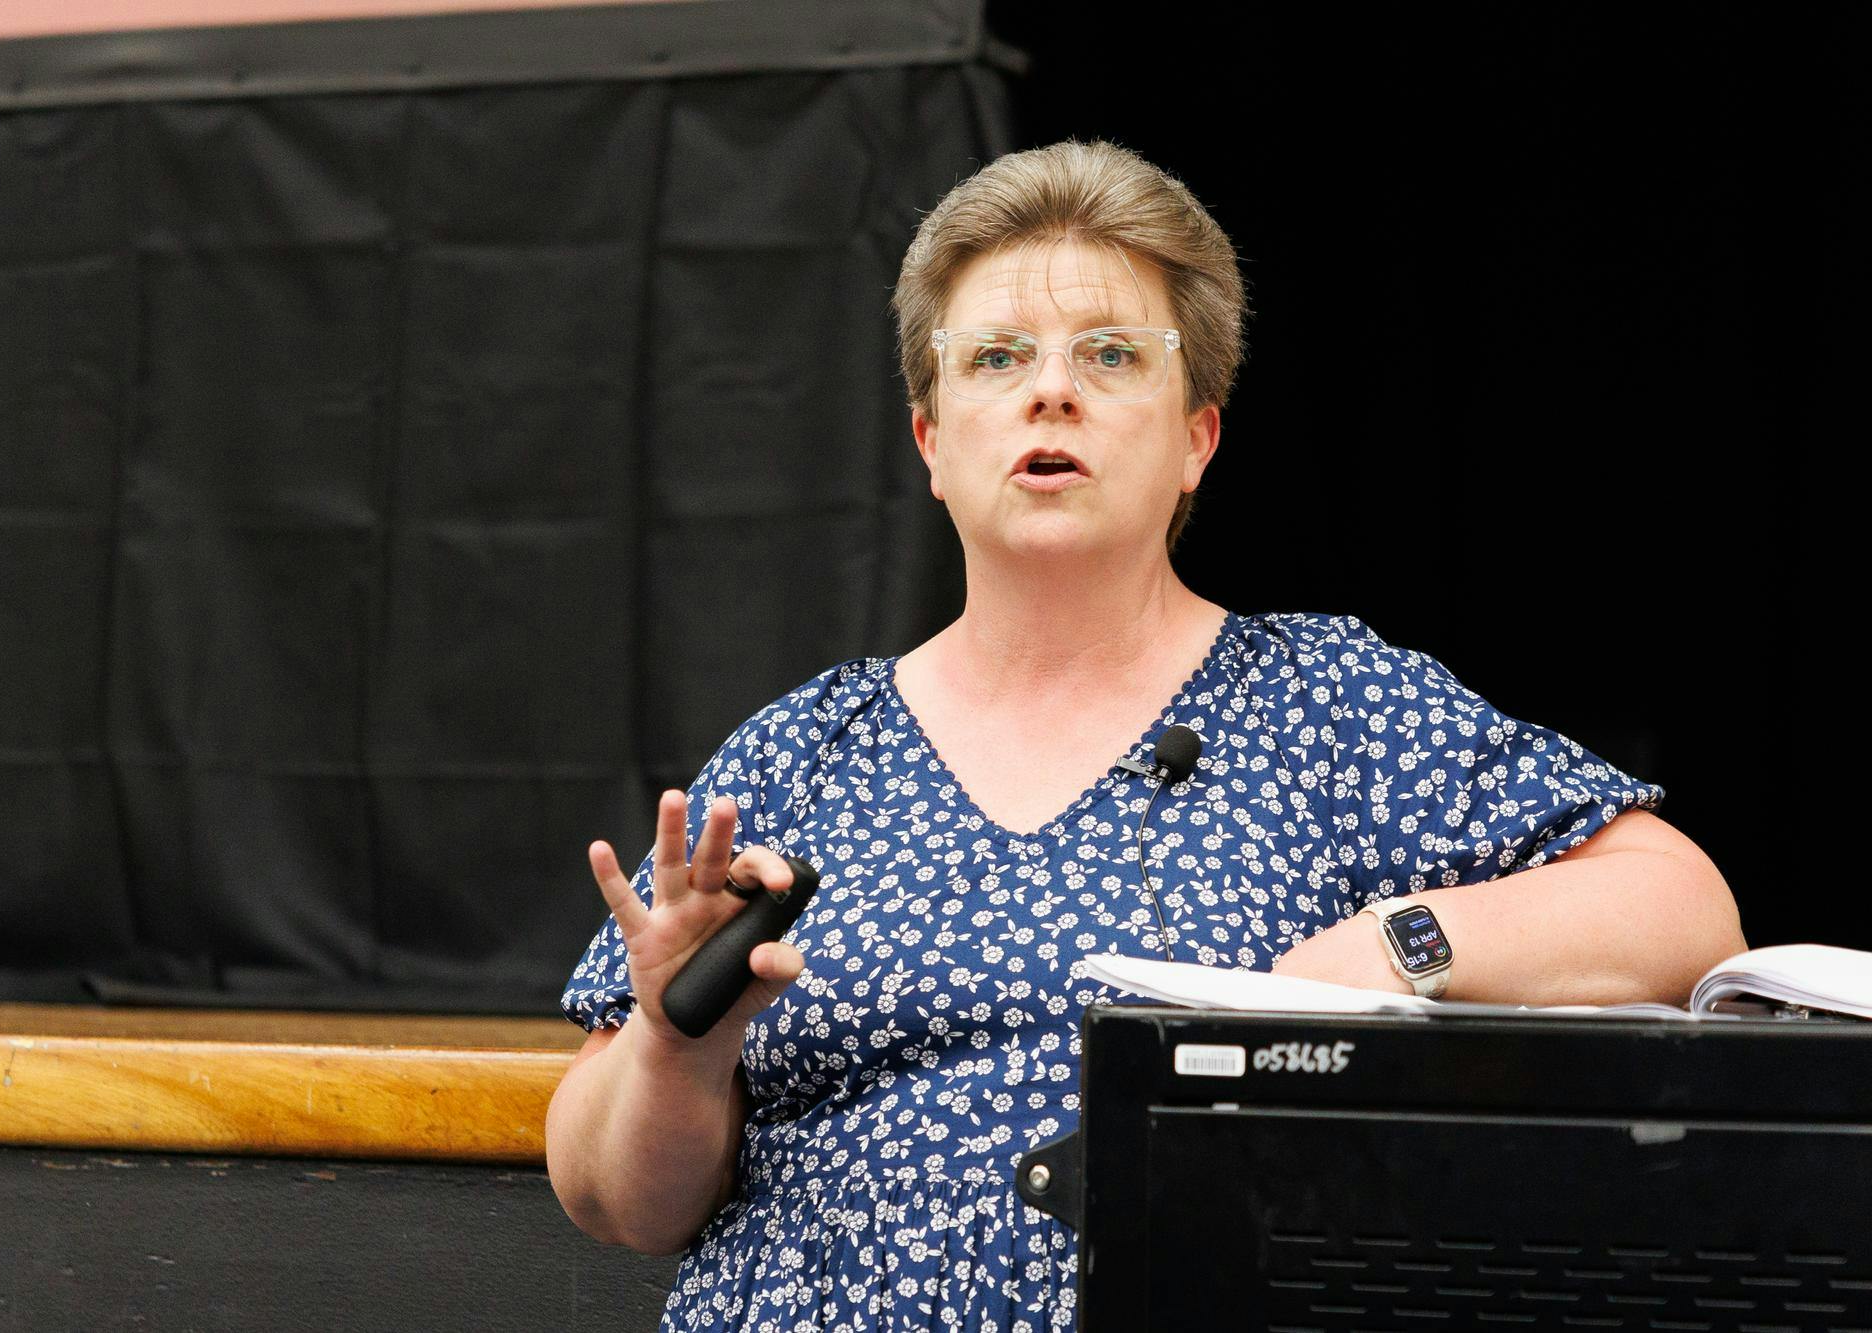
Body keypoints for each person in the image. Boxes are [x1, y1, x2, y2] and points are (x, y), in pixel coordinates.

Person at [544, 140, 1742, 1332]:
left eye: (1110, 355)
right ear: (930, 446)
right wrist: (673, 1037)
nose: (1049, 389)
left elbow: (1679, 910)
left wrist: (1396, 944)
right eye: (997, 357)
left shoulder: (1326, 703)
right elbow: (616, 1204)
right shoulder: (802, 752)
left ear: (1194, 441)